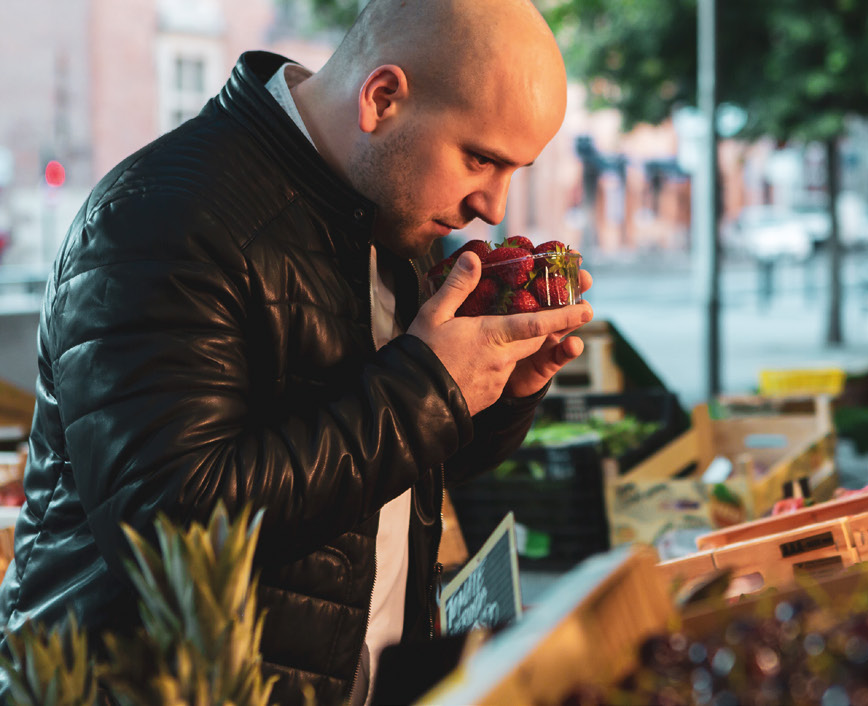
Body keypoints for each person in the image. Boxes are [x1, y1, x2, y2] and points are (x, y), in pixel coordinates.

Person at [0, 0, 588, 703]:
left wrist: (492, 394)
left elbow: (385, 472)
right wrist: (428, 387)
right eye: (480, 159)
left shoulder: (387, 210)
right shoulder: (158, 218)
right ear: (382, 98)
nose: (493, 205)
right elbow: (173, 528)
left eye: (514, 169)